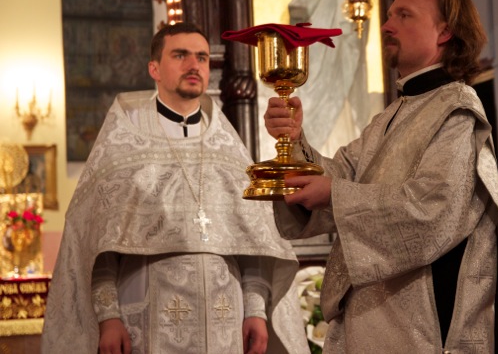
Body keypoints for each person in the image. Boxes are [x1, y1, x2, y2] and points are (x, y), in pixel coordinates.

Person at [264, 0, 498, 353]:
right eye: (390, 14)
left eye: (404, 15)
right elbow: (341, 175)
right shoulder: (390, 117)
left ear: (444, 32)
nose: (385, 25)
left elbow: (432, 211)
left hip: (419, 328)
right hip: (370, 320)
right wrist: (295, 143)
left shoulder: (457, 113)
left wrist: (335, 195)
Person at [41, 22, 309, 354]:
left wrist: (255, 309)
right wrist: (108, 317)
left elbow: (253, 243)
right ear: (154, 68)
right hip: (150, 317)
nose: (194, 65)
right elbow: (97, 244)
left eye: (202, 57)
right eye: (180, 55)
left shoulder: (228, 149)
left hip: (224, 318)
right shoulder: (123, 145)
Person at [257, 0, 374, 157]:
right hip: (304, 43)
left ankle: (338, 156)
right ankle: (306, 154)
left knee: (337, 99)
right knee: (305, 100)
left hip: (332, 47)